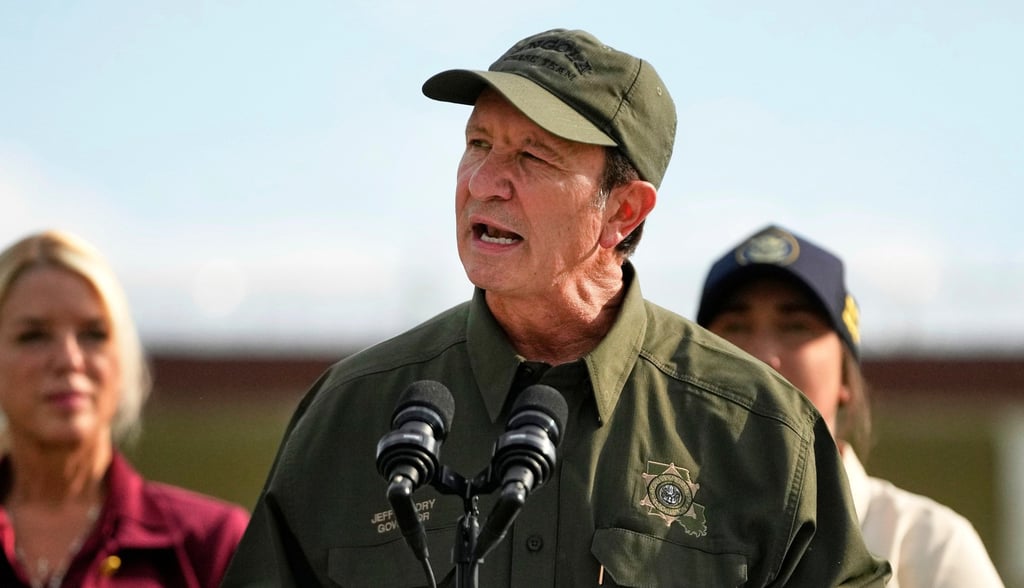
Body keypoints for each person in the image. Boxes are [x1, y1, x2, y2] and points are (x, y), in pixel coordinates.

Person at [222, 29, 889, 587]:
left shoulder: (761, 431)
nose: (484, 183)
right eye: (477, 144)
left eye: (532, 157)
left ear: (622, 211)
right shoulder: (351, 411)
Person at [696, 224, 1004, 588]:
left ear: (846, 377)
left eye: (795, 326)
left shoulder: (929, 544)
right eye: (734, 326)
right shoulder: (647, 527)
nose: (763, 357)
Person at [0, 229, 250, 587]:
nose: (69, 359)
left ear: (124, 358)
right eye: (34, 335)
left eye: (94, 334)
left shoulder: (210, 543)